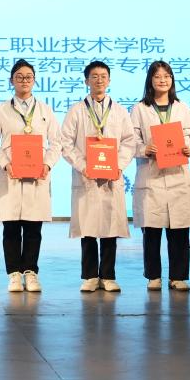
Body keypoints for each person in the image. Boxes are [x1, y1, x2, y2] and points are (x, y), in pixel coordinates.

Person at [0, 59, 61, 293]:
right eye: (19, 77)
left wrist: (47, 164)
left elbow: (57, 142)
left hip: (37, 176)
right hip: (11, 176)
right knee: (11, 228)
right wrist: (5, 163)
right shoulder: (1, 110)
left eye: (28, 77)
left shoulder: (45, 110)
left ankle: (31, 272)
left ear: (34, 80)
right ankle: (14, 274)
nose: (24, 80)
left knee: (33, 228)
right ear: (12, 81)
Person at [61, 61, 137, 293]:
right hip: (86, 178)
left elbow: (129, 141)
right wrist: (83, 166)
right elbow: (66, 143)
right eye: (94, 76)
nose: (99, 80)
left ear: (109, 80)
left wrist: (119, 165)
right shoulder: (76, 110)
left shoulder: (120, 111)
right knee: (88, 228)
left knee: (110, 228)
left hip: (111, 177)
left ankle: (108, 275)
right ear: (86, 81)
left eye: (103, 76)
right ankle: (90, 276)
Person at [130, 61, 190, 292]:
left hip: (177, 175)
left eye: (167, 76)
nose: (163, 80)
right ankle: (153, 276)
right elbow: (131, 140)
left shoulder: (181, 107)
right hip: (152, 177)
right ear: (150, 80)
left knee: (179, 230)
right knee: (152, 231)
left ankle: (178, 276)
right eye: (158, 76)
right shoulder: (140, 109)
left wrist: (189, 147)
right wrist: (144, 149)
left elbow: (189, 135)